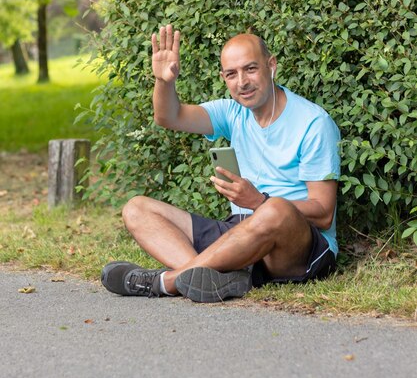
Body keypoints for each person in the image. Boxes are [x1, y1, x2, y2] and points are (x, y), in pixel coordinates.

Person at [101, 24, 341, 303]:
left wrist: (259, 201)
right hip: (240, 230)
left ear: (271, 65)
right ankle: (216, 275)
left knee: (275, 208)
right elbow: (169, 117)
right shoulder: (232, 112)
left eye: (251, 69)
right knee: (136, 209)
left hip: (295, 246)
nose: (242, 82)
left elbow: (324, 213)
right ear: (224, 78)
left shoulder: (313, 123)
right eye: (231, 74)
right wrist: (164, 82)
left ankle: (168, 281)